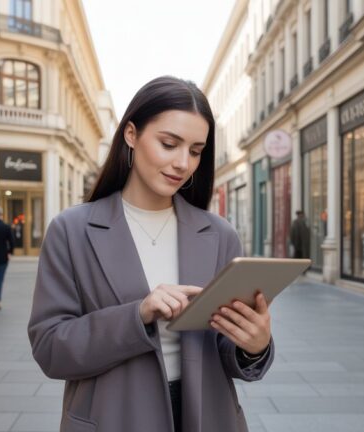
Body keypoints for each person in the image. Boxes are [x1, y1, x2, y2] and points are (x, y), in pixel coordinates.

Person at [28, 76, 274, 432]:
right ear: (131, 134)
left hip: (207, 417)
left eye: (194, 150)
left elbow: (226, 347)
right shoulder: (72, 230)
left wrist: (254, 345)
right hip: (113, 417)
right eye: (169, 143)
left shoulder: (219, 235)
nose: (182, 163)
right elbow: (50, 348)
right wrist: (138, 314)